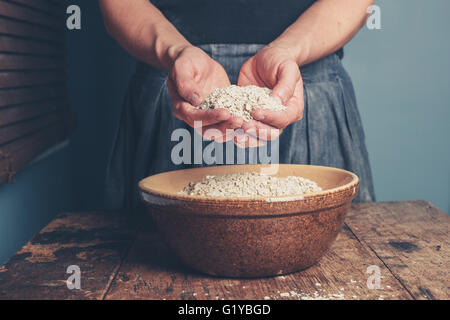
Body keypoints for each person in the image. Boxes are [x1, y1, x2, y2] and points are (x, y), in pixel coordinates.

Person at [100, 0, 376, 214]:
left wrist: (289, 50)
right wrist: (176, 52)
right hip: (178, 87)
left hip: (300, 86)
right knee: (154, 263)